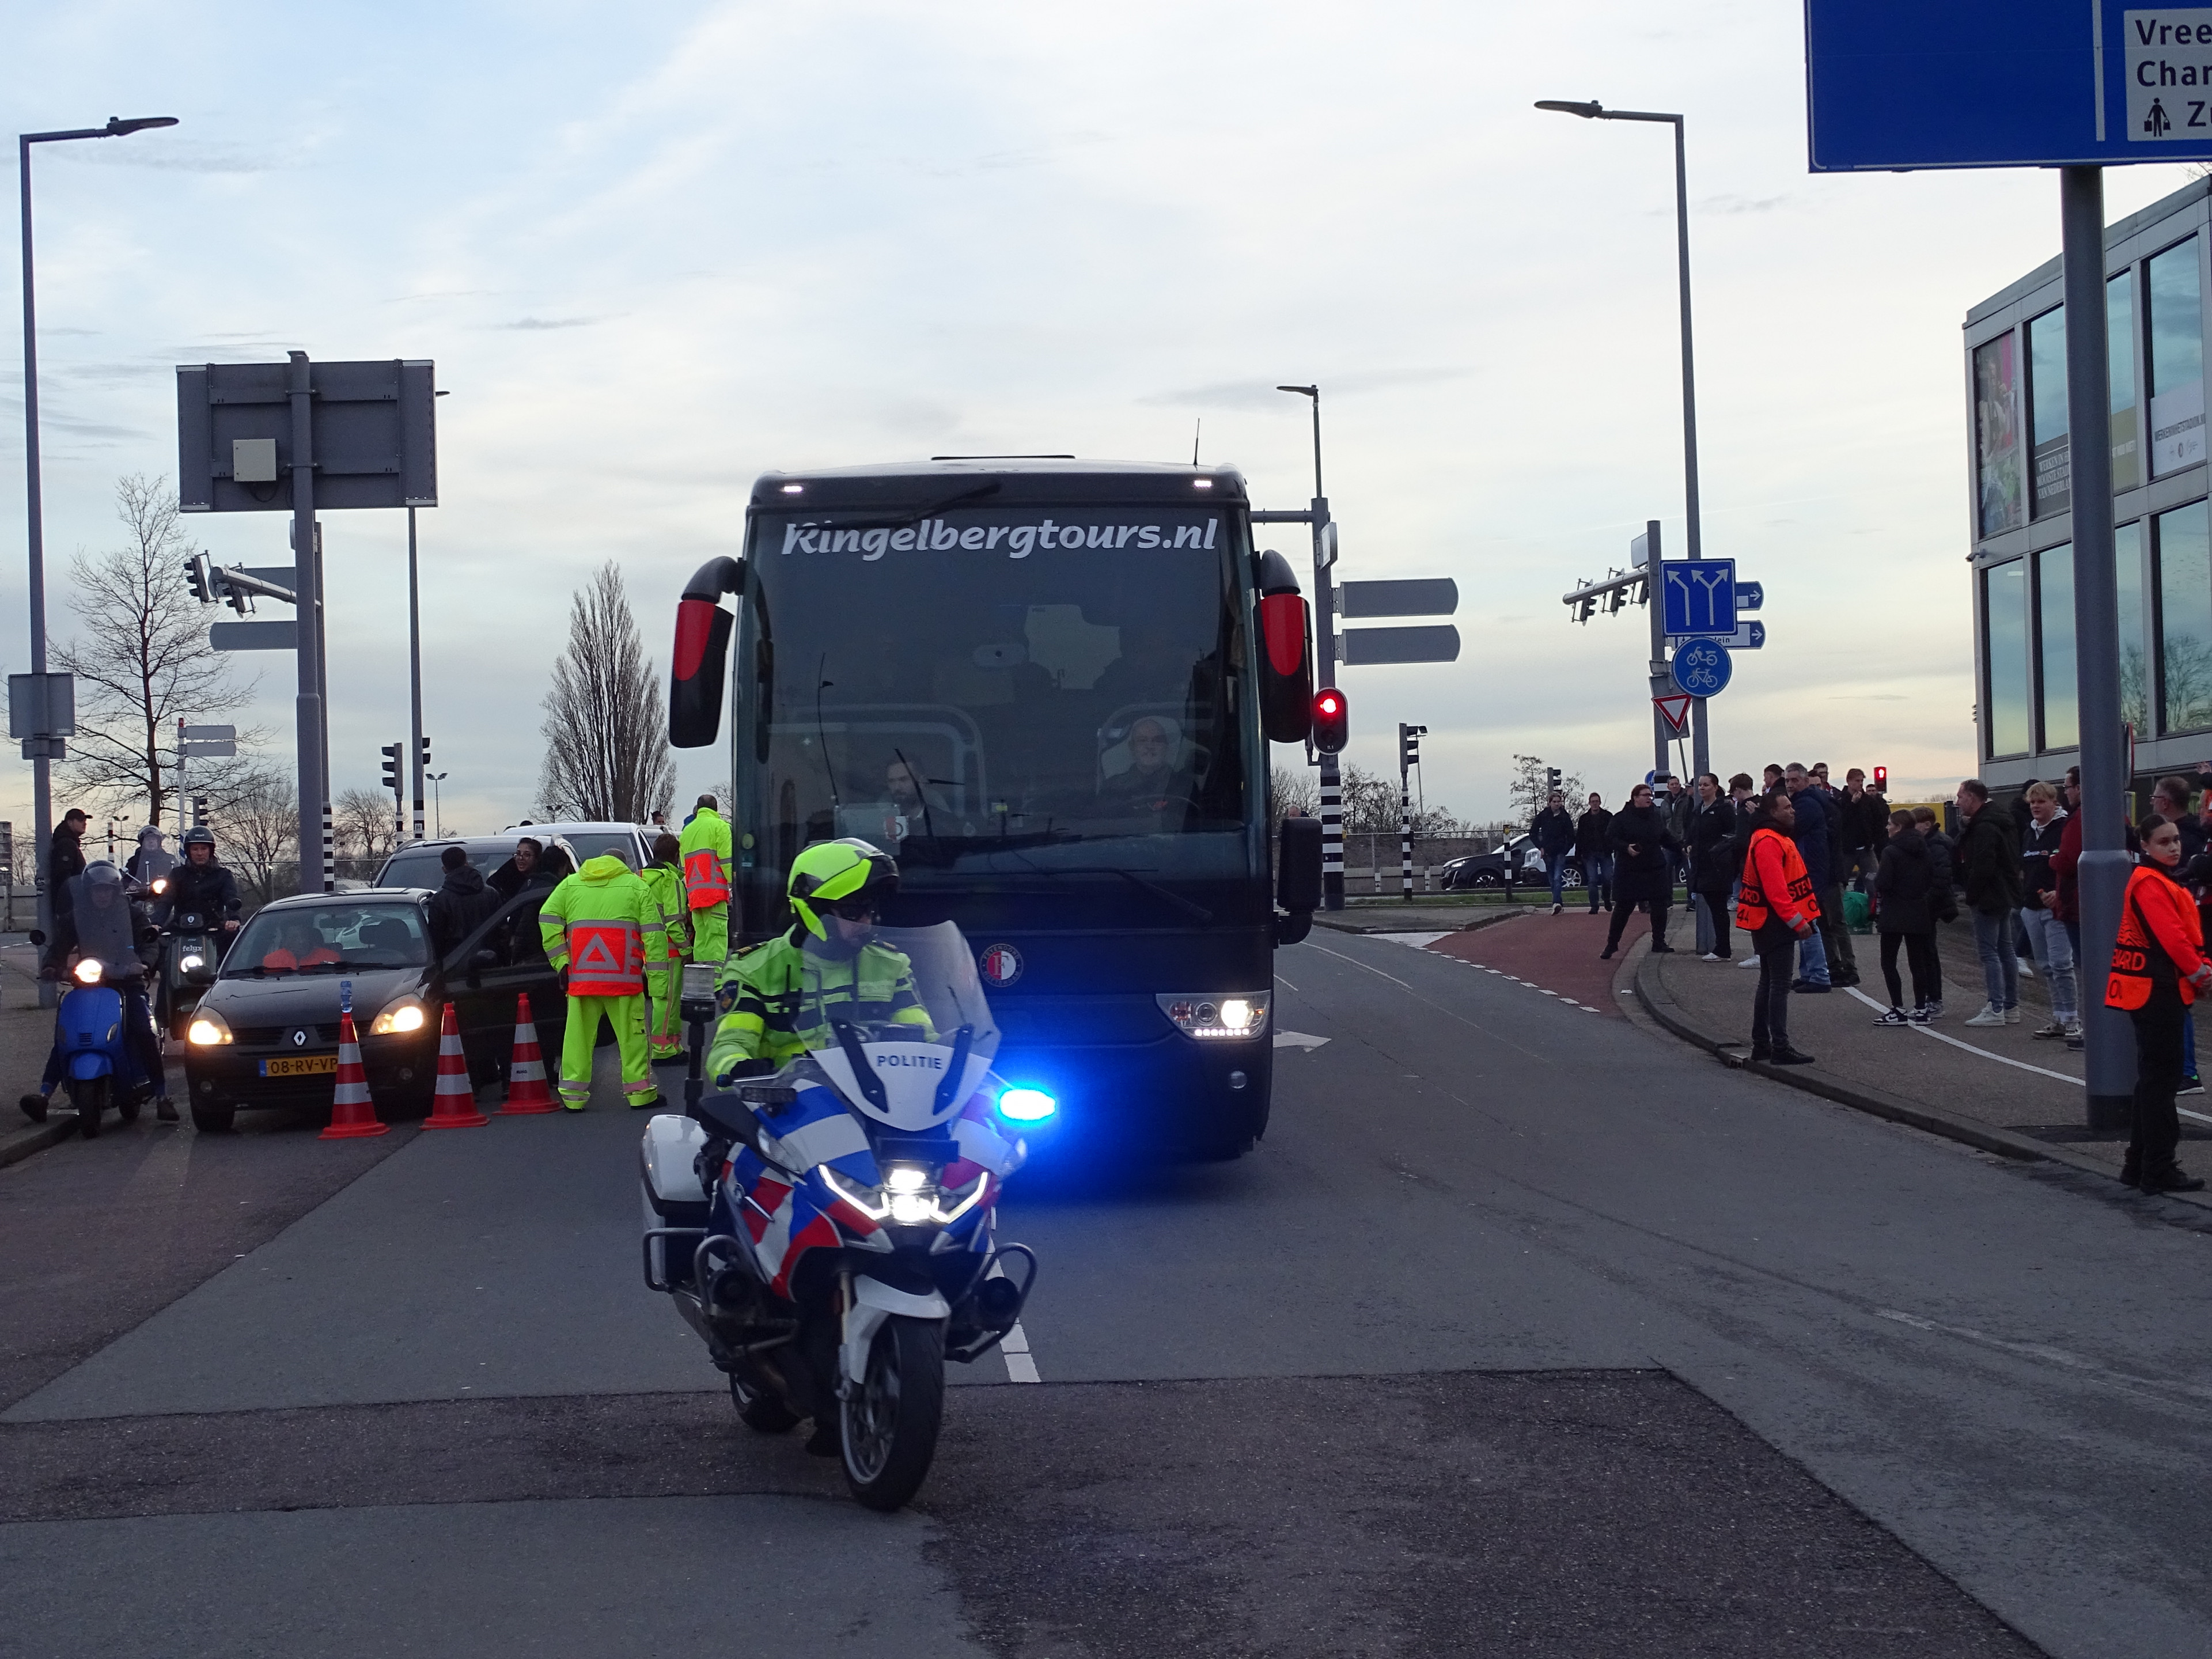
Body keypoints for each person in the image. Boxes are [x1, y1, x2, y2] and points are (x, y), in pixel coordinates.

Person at [707, 839, 933, 1081]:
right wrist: (742, 1069)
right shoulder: (754, 970)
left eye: (870, 910)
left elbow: (927, 1041)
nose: (866, 922)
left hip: (883, 1101)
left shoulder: (892, 965)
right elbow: (729, 1047)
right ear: (815, 909)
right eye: (852, 911)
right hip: (790, 1108)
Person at [2106, 813, 2210, 1192]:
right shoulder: (2150, 883)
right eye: (2164, 842)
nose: (2174, 846)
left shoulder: (2158, 880)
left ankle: (2140, 1165)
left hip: (2153, 989)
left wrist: (2199, 968)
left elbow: (2181, 936)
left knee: (2153, 1080)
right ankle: (2157, 1167)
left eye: (2176, 839)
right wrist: (2201, 972)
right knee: (2161, 1083)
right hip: (2157, 991)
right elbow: (2173, 938)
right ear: (2145, 846)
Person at [28, 861, 171, 1120]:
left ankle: (162, 1095)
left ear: (116, 890)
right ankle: (44, 1094)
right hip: (89, 982)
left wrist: (144, 963)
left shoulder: (133, 915)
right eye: (96, 890)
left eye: (107, 889)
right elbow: (60, 946)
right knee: (67, 1033)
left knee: (142, 1028)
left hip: (127, 981)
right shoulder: (78, 916)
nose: (102, 894)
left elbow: (149, 941)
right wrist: (51, 965)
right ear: (88, 891)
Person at [540, 845, 665, 1111]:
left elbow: (547, 918)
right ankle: (640, 1095)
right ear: (624, 865)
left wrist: (561, 961)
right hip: (624, 980)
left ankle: (573, 1098)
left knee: (577, 1039)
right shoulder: (637, 887)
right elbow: (654, 939)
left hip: (582, 978)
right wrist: (658, 984)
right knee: (633, 1038)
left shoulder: (570, 885)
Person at [1737, 786, 1820, 1066]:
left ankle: (1763, 1044)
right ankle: (1779, 1047)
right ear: (1773, 812)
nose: (1793, 810)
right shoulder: (1769, 841)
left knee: (1769, 983)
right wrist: (1798, 921)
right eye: (1787, 808)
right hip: (1775, 922)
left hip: (1769, 920)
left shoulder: (1770, 837)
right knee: (1779, 985)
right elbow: (1776, 890)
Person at [1955, 778, 2023, 1028]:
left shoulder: (1984, 827)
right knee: (2006, 950)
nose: (1957, 802)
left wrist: (1971, 894)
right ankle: (2011, 1006)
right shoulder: (2002, 821)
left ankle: (1996, 1007)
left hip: (1988, 896)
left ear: (1972, 798)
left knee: (1989, 952)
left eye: (1961, 797)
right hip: (2005, 893)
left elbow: (1982, 865)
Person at [2018, 781, 2079, 1041]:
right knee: (2045, 966)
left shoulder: (2065, 828)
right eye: (2032, 802)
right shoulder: (2029, 833)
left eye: (2041, 801)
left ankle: (2074, 1020)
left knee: (2062, 964)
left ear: (2055, 803)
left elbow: (2072, 865)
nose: (2035, 806)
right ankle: (2059, 1018)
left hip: (2056, 909)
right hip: (2031, 908)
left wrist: (2059, 893)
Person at [1870, 808, 1941, 1025]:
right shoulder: (1924, 848)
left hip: (1894, 911)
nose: (1887, 827)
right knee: (1917, 962)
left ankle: (1898, 1009)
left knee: (1889, 961)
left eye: (1890, 824)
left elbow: (1883, 883)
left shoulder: (1891, 852)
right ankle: (1921, 1009)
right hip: (1918, 910)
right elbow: (1931, 877)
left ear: (1899, 827)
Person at [1783, 763, 1847, 990]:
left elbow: (1791, 830)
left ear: (1804, 780)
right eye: (1787, 781)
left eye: (1794, 780)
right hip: (1813, 868)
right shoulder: (1808, 801)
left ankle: (1819, 975)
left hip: (1812, 869)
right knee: (1810, 921)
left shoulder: (1807, 804)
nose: (1790, 785)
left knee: (1810, 921)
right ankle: (1811, 973)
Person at [1601, 782, 1678, 961]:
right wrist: (1626, 847)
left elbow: (1664, 837)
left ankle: (1659, 941)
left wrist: (1679, 847)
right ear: (1635, 798)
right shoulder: (1621, 818)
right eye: (1645, 795)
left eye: (1650, 796)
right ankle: (1612, 944)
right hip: (1630, 869)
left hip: (1654, 866)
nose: (1649, 799)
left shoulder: (1655, 817)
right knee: (1624, 907)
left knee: (1659, 904)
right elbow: (1610, 838)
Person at [638, 832, 692, 1064]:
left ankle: (672, 1044)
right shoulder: (669, 880)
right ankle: (664, 1049)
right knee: (668, 1000)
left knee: (663, 999)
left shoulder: (640, 877)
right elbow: (673, 921)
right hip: (669, 950)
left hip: (647, 948)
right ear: (675, 855)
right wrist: (686, 950)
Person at [153, 827, 243, 948]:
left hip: (214, 929)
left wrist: (234, 919)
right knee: (154, 945)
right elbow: (166, 900)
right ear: (188, 851)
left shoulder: (223, 875)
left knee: (234, 947)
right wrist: (156, 923)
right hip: (180, 929)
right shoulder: (177, 874)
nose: (200, 853)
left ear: (211, 850)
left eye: (204, 849)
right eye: (195, 849)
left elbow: (230, 897)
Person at [1912, 805, 1958, 1018]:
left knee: (1928, 953)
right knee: (1926, 952)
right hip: (1930, 902)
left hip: (1931, 905)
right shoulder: (1932, 842)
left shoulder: (1936, 844)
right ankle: (1932, 998)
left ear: (1927, 825)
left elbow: (1940, 878)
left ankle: (1935, 999)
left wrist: (1925, 902)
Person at [680, 793, 734, 965]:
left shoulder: (686, 832)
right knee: (716, 939)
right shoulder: (721, 827)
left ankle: (702, 982)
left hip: (695, 895)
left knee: (702, 940)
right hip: (715, 894)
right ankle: (716, 983)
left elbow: (683, 867)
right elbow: (727, 861)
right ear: (716, 809)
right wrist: (734, 885)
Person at [1101, 716, 1192, 818]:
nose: (1150, 746)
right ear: (1132, 747)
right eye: (1142, 740)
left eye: (1158, 740)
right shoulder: (1113, 788)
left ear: (1166, 747)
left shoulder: (1187, 786)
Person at [1689, 773, 1738, 961]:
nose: (1702, 788)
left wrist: (1719, 850)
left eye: (1706, 785)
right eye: (1700, 785)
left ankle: (1723, 949)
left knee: (1719, 908)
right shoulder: (1697, 810)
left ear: (1715, 787)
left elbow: (1732, 834)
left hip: (1718, 866)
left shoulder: (1723, 809)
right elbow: (1692, 833)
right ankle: (1721, 948)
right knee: (1713, 906)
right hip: (1701, 864)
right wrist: (1688, 844)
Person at [426, 845, 498, 959]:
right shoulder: (491, 894)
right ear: (467, 863)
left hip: (453, 963)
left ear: (444, 869)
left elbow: (436, 939)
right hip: (489, 961)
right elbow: (501, 930)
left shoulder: (440, 900)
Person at [1531, 789, 1577, 915]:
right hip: (1548, 853)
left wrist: (1566, 849)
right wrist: (1541, 847)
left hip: (1560, 852)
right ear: (1549, 803)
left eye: (1559, 801)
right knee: (1551, 879)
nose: (1557, 804)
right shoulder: (1543, 816)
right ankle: (1559, 904)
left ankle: (1555, 903)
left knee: (1557, 877)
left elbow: (1571, 835)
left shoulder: (1565, 817)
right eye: (1555, 801)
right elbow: (1533, 833)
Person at [1839, 768, 1885, 892]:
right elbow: (1840, 822)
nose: (1860, 784)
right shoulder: (1841, 799)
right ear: (1849, 781)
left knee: (1874, 884)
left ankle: (1874, 910)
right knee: (1841, 886)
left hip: (1866, 849)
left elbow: (1879, 822)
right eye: (1857, 781)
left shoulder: (1869, 801)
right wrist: (1852, 804)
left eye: (1862, 781)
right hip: (1847, 851)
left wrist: (1874, 841)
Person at [257, 914, 340, 972]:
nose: (301, 941)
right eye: (294, 937)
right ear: (285, 941)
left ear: (310, 937)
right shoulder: (271, 961)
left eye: (304, 936)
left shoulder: (330, 957)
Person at [1573, 792, 1613, 914]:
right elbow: (1579, 837)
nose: (1595, 804)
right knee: (1592, 880)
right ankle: (1594, 905)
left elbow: (1613, 833)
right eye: (1593, 802)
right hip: (1589, 853)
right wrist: (1578, 854)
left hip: (1605, 852)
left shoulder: (1608, 816)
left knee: (1607, 878)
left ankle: (1606, 898)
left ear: (1600, 803)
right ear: (1589, 803)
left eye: (1597, 801)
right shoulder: (1584, 819)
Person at [49, 808, 88, 917]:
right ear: (70, 822)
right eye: (80, 820)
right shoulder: (66, 844)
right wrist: (76, 898)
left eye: (85, 821)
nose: (85, 823)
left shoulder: (68, 842)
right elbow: (63, 875)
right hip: (70, 906)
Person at [487, 836, 548, 900]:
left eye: (527, 855)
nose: (521, 858)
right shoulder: (503, 880)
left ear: (537, 858)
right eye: (518, 854)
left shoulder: (543, 882)